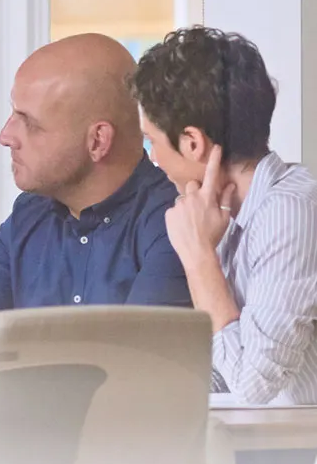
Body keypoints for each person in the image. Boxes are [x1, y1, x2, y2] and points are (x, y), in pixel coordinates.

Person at [0, 33, 191, 384]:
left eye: (28, 122)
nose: (5, 135)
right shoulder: (28, 216)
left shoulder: (174, 220)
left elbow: (136, 369)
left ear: (97, 141)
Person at [130, 27, 317, 405]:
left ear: (192, 142)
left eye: (152, 140)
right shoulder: (225, 216)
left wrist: (200, 260)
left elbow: (252, 387)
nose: (152, 158)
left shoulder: (288, 212)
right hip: (271, 450)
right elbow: (222, 374)